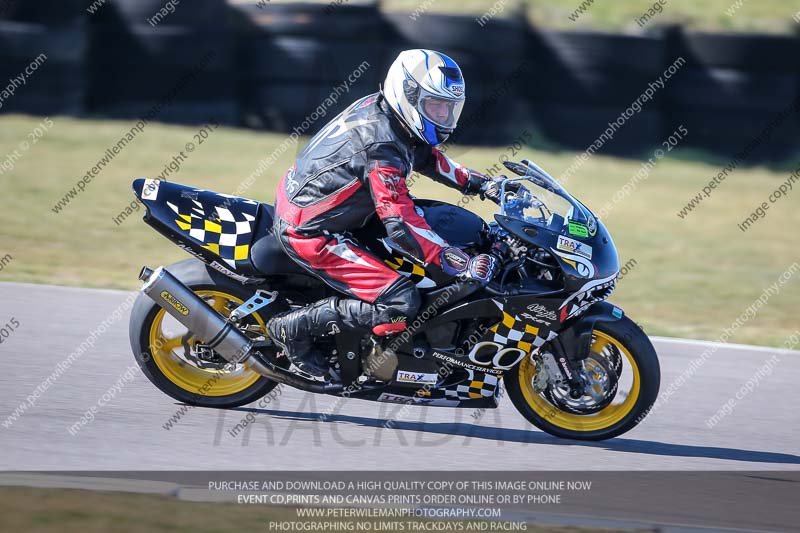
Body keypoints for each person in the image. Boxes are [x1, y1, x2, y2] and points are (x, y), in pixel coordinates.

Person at [266, 49, 508, 376]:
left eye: (448, 109)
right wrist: (451, 258)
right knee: (401, 302)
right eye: (435, 106)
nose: (443, 117)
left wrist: (480, 184)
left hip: (332, 210)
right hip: (313, 233)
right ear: (407, 95)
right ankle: (292, 330)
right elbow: (400, 221)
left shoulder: (389, 115)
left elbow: (424, 155)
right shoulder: (381, 148)